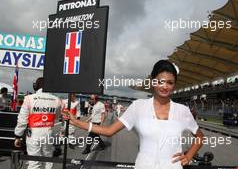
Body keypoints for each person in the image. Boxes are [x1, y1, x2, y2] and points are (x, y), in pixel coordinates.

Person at [64, 60, 204, 168]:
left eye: (170, 82)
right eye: (160, 81)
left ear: (174, 85)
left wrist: (189, 156)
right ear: (152, 82)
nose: (165, 86)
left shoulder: (183, 110)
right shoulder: (138, 106)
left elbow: (200, 136)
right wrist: (76, 122)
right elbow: (108, 131)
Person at [14, 77, 62, 169]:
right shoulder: (57, 100)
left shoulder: (29, 98)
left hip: (33, 134)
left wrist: (18, 136)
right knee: (48, 160)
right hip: (48, 133)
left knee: (34, 163)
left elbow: (22, 120)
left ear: (36, 86)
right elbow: (57, 116)